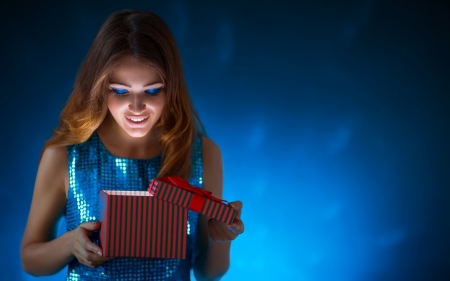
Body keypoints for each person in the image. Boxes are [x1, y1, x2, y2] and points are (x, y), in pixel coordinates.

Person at [20, 10, 244, 281]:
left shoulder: (203, 153)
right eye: (121, 91)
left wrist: (223, 238)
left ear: (171, 88)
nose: (137, 108)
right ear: (100, 87)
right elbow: (30, 260)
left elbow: (208, 273)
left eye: (151, 91)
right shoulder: (66, 156)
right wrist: (70, 244)